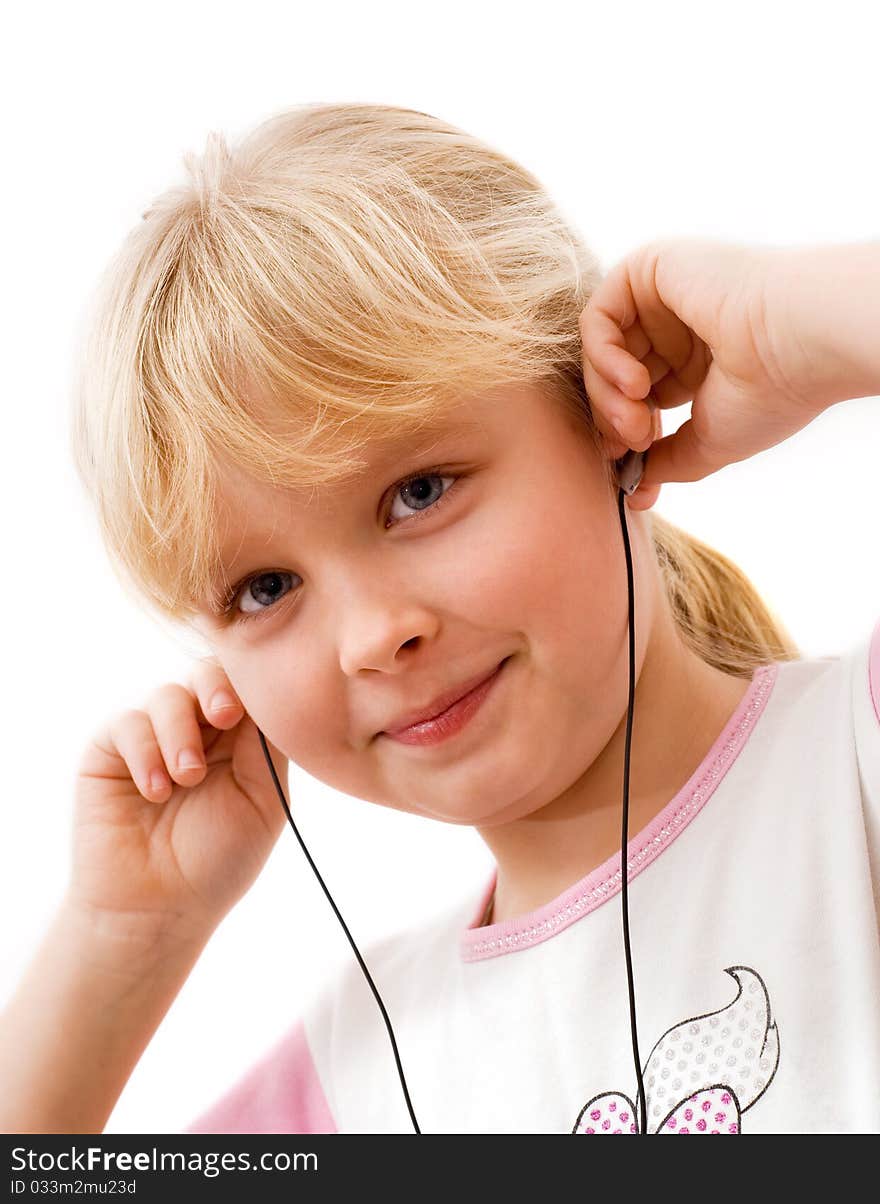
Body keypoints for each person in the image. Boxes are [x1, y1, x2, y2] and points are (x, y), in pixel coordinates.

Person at [1, 101, 877, 1135]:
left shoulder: (851, 762)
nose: (375, 634)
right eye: (265, 589)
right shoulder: (361, 1067)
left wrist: (796, 324)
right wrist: (125, 934)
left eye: (419, 492)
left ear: (606, 414)